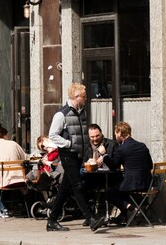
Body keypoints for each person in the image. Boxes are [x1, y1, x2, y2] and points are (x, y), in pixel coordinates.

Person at [46, 82, 105, 232]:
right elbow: (52, 134)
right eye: (84, 96)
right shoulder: (62, 114)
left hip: (78, 154)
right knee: (77, 186)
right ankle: (91, 218)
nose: (86, 99)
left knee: (65, 189)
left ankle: (52, 221)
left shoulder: (82, 112)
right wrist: (68, 143)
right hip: (67, 154)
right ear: (76, 97)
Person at [98, 121, 153, 225]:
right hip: (147, 184)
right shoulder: (142, 146)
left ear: (119, 133)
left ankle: (131, 208)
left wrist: (104, 154)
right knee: (120, 187)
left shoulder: (122, 149)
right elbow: (150, 165)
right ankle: (124, 216)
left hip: (133, 185)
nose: (115, 136)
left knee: (108, 193)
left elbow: (113, 166)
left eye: (115, 134)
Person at [0, 126, 27, 218]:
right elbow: (24, 158)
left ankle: (2, 209)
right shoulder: (14, 144)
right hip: (18, 178)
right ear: (5, 135)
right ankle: (16, 206)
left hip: (2, 179)